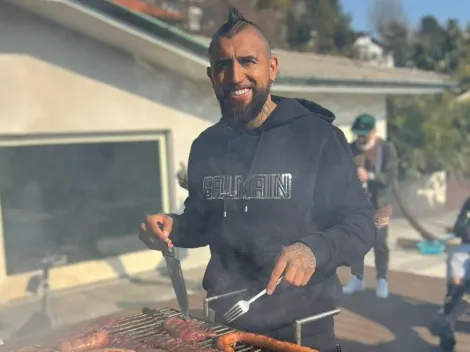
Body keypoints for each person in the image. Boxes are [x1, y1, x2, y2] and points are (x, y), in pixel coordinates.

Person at [139, 8, 376, 351]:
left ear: (272, 68)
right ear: (211, 75)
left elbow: (361, 223)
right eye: (223, 65)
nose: (236, 76)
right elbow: (203, 222)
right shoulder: (206, 146)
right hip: (223, 327)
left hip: (301, 332)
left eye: (248, 61)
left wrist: (314, 249)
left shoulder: (317, 136)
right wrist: (171, 227)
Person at [342, 114, 398, 299]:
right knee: (356, 242)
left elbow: (390, 176)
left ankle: (382, 279)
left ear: (374, 132)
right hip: (356, 204)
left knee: (380, 243)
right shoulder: (350, 149)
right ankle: (357, 278)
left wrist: (370, 176)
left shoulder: (386, 149)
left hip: (380, 205)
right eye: (358, 134)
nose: (361, 138)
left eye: (365, 134)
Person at [430, 197, 470, 351]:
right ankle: (446, 337)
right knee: (456, 261)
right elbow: (458, 227)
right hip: (466, 248)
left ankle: (447, 320)